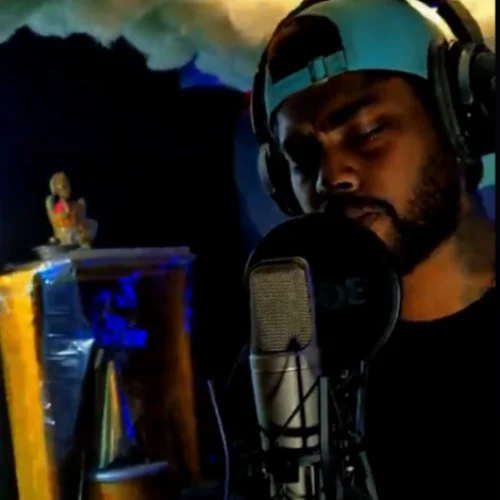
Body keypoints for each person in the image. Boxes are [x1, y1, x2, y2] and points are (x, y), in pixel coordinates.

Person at [250, 0, 495, 498]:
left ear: (459, 121)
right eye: (303, 158)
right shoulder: (284, 366)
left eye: (368, 132)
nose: (331, 176)